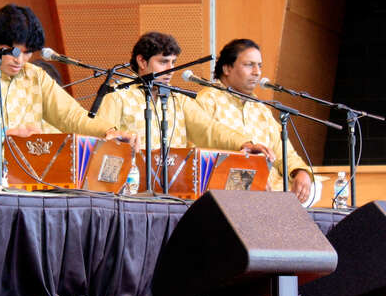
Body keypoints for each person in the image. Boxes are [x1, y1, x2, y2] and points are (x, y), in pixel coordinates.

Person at [0, 4, 138, 163]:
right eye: (15, 52)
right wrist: (3, 135)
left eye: (27, 52)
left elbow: (71, 117)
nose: (20, 60)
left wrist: (108, 132)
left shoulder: (36, 76)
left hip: (21, 170)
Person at [95, 32, 275, 158]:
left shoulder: (178, 100)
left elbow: (210, 129)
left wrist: (244, 143)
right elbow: (101, 137)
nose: (170, 70)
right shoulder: (117, 95)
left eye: (173, 62)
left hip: (174, 191)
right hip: (130, 190)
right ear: (141, 61)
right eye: (163, 62)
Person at [195, 38, 313, 203]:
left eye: (260, 66)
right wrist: (249, 179)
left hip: (273, 192)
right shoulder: (207, 101)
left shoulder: (261, 109)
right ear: (227, 68)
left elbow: (284, 153)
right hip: (229, 190)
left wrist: (300, 172)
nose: (257, 72)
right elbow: (201, 156)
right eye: (249, 65)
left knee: (313, 188)